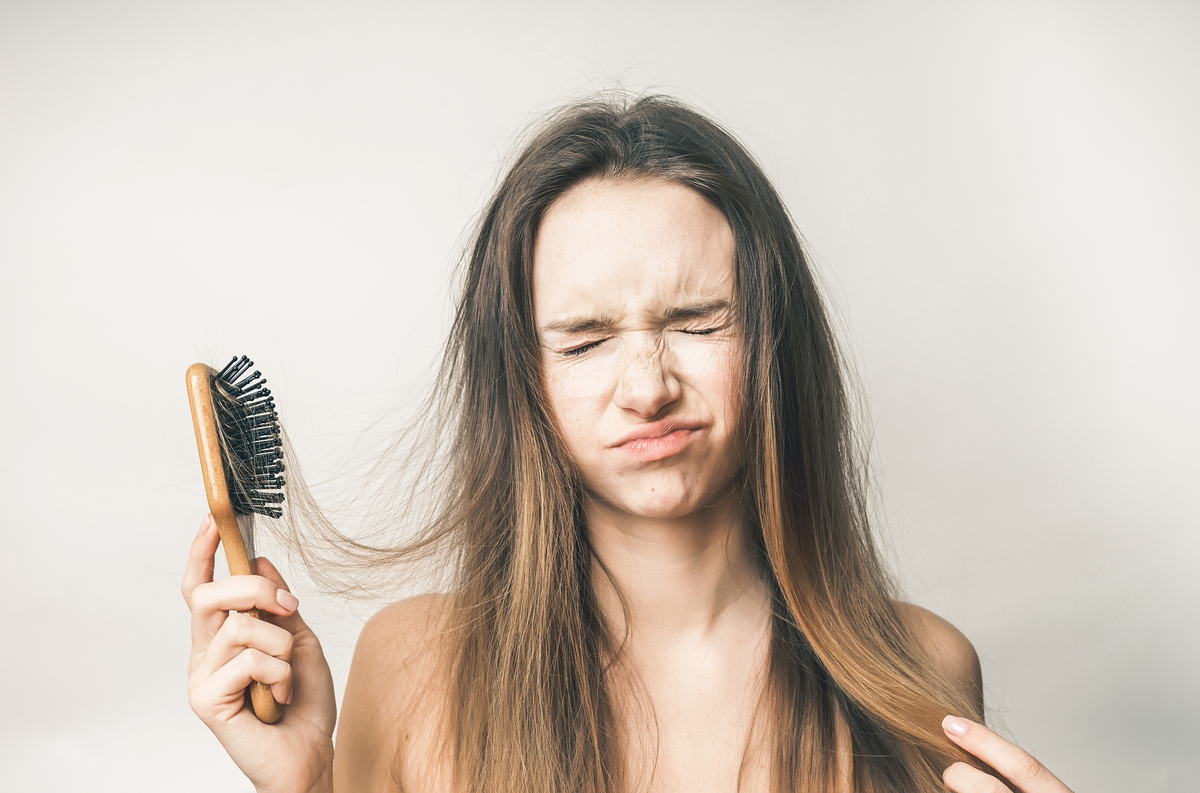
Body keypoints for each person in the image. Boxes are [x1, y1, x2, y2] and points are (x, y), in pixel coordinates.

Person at [183, 95, 1075, 793]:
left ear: (773, 344)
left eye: (696, 322)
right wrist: (300, 785)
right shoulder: (412, 666)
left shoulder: (922, 669)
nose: (647, 386)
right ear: (523, 378)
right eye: (584, 339)